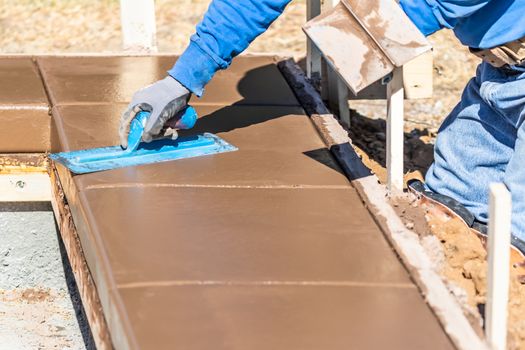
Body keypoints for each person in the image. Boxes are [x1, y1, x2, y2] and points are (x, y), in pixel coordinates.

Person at [119, 0, 525, 258]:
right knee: (446, 213)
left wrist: (358, 35)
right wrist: (183, 79)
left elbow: (430, 7)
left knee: (513, 240)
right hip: (502, 77)